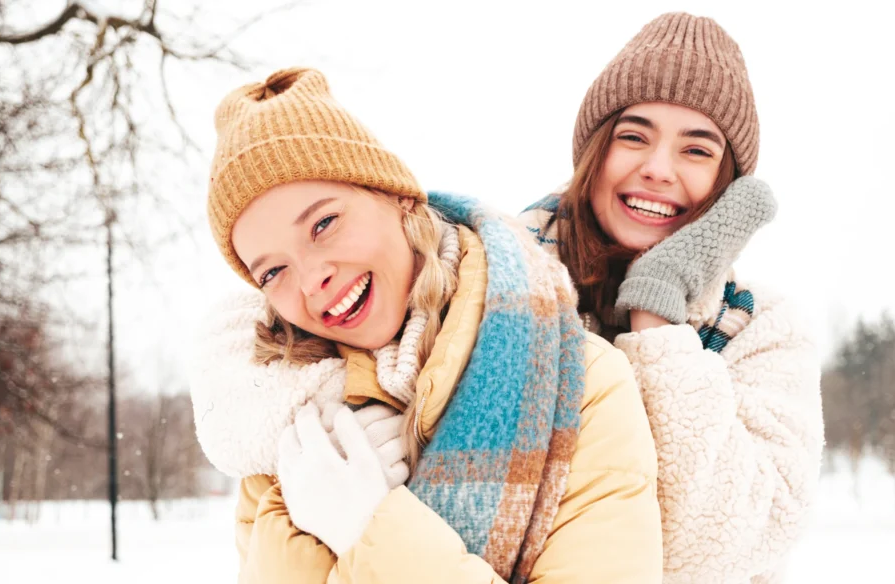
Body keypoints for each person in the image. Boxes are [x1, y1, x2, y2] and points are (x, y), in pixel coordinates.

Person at [189, 67, 662, 584]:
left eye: (324, 224)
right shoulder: (282, 425)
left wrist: (371, 530)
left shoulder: (581, 386)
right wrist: (297, 526)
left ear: (398, 197)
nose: (310, 281)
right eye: (273, 271)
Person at [520, 12, 824, 583]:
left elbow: (717, 546)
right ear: (593, 154)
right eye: (632, 137)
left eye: (696, 150)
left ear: (728, 187)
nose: (657, 169)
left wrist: (657, 318)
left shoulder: (762, 327)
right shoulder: (493, 282)